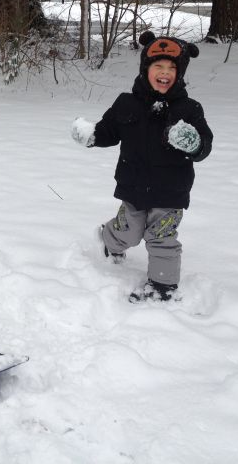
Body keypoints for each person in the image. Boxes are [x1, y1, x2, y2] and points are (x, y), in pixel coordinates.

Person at [71, 31, 213, 302]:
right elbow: (109, 131)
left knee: (162, 237)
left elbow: (204, 145)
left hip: (171, 192)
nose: (165, 72)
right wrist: (92, 136)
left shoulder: (189, 109)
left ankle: (162, 287)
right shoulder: (127, 103)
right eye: (158, 66)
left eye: (171, 68)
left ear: (180, 73)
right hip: (133, 187)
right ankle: (108, 240)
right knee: (129, 231)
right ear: (145, 68)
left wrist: (194, 143)